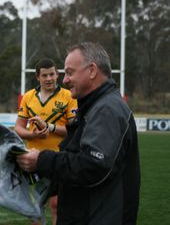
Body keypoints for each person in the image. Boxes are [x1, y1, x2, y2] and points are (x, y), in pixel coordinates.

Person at [16, 42, 140, 225]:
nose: (64, 79)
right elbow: (77, 158)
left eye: (69, 72)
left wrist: (42, 160)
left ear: (91, 71)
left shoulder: (106, 109)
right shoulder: (93, 106)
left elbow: (93, 165)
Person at [15, 58, 77, 225]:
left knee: (57, 205)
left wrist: (49, 127)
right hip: (34, 160)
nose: (49, 78)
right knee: (35, 207)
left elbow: (74, 131)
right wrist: (34, 135)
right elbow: (18, 129)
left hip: (59, 158)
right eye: (45, 75)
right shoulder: (28, 97)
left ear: (57, 74)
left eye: (52, 74)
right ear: (38, 77)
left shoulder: (69, 96)